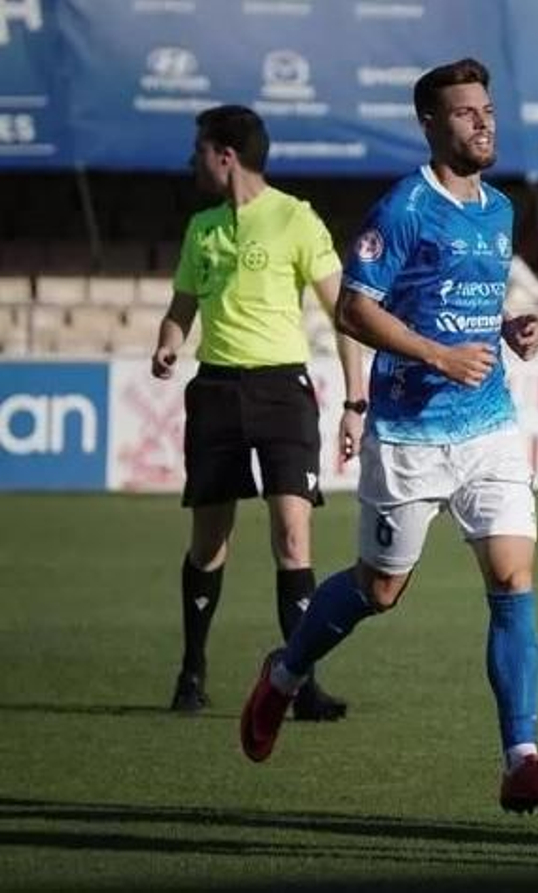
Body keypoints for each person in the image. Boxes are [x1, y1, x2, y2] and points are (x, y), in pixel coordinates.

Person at [238, 58, 538, 814]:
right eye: (465, 113)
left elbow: (453, 303)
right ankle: (284, 674)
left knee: (513, 580)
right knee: (380, 589)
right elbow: (354, 309)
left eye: (487, 110)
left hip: (488, 425)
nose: (483, 123)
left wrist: (506, 328)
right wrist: (436, 355)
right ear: (430, 125)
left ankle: (522, 761)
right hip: (409, 432)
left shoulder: (499, 209)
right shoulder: (403, 207)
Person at [152, 104, 366, 721]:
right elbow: (181, 308)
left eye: (199, 150)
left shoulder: (296, 218)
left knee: (293, 536)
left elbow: (345, 314)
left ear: (226, 156)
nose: (192, 161)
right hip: (216, 391)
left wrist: (355, 402)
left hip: (282, 392)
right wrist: (168, 342)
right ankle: (192, 672)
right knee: (209, 540)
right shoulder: (202, 228)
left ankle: (301, 685)